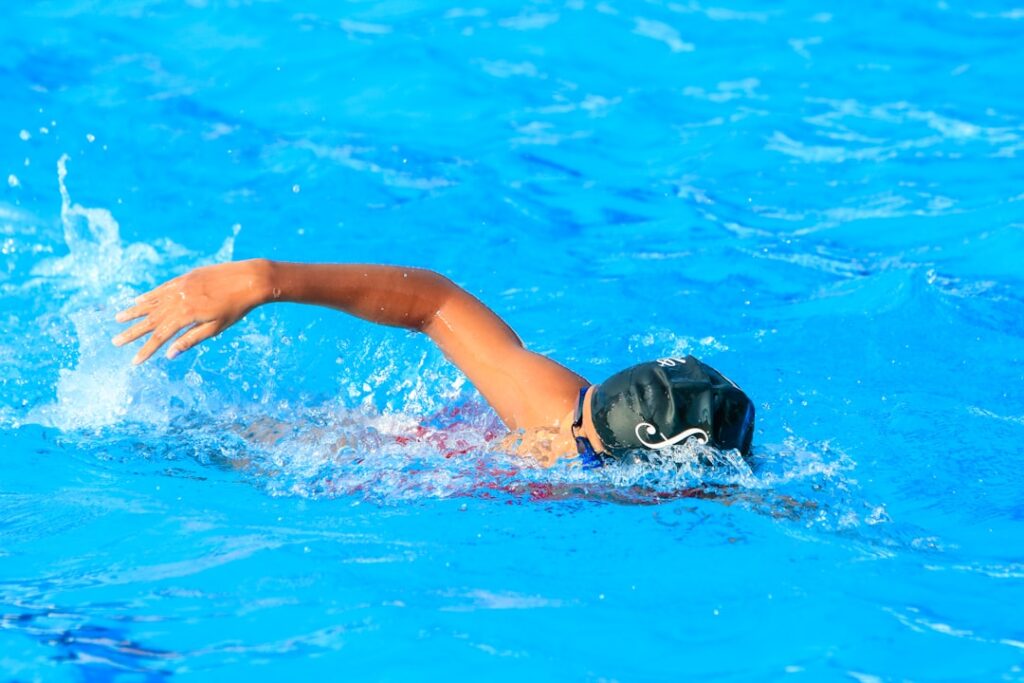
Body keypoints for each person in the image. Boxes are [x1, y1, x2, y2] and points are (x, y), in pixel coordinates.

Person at [112, 260, 755, 467]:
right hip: (403, 455)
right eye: (574, 415)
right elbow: (432, 303)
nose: (556, 434)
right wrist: (265, 277)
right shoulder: (553, 409)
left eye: (579, 444)